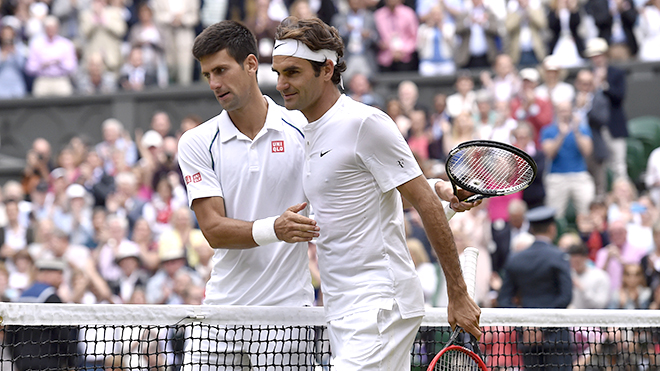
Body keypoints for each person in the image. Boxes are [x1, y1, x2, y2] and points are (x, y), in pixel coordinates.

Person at [271, 16, 480, 369]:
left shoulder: (364, 123)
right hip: (341, 309)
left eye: (292, 72)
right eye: (278, 73)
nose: (281, 84)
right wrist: (437, 189)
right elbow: (372, 197)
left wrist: (457, 294)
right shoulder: (305, 129)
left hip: (381, 305)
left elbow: (423, 202)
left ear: (326, 69)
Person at [497, 206, 572, 370]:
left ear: (531, 229)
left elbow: (503, 300)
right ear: (552, 229)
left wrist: (526, 326)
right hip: (556, 338)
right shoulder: (559, 256)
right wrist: (543, 327)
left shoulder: (515, 259)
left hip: (528, 338)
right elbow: (566, 297)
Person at [6, 258, 79, 370]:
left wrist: (16, 359)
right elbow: (62, 333)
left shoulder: (22, 297)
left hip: (23, 362)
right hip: (49, 362)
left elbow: (11, 334)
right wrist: (72, 361)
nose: (62, 279)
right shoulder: (51, 297)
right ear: (46, 273)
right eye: (59, 274)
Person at [566, 243, 610, 309]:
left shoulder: (600, 276)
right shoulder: (567, 275)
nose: (574, 265)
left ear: (586, 258)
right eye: (572, 262)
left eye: (577, 262)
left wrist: (582, 289)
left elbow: (600, 305)